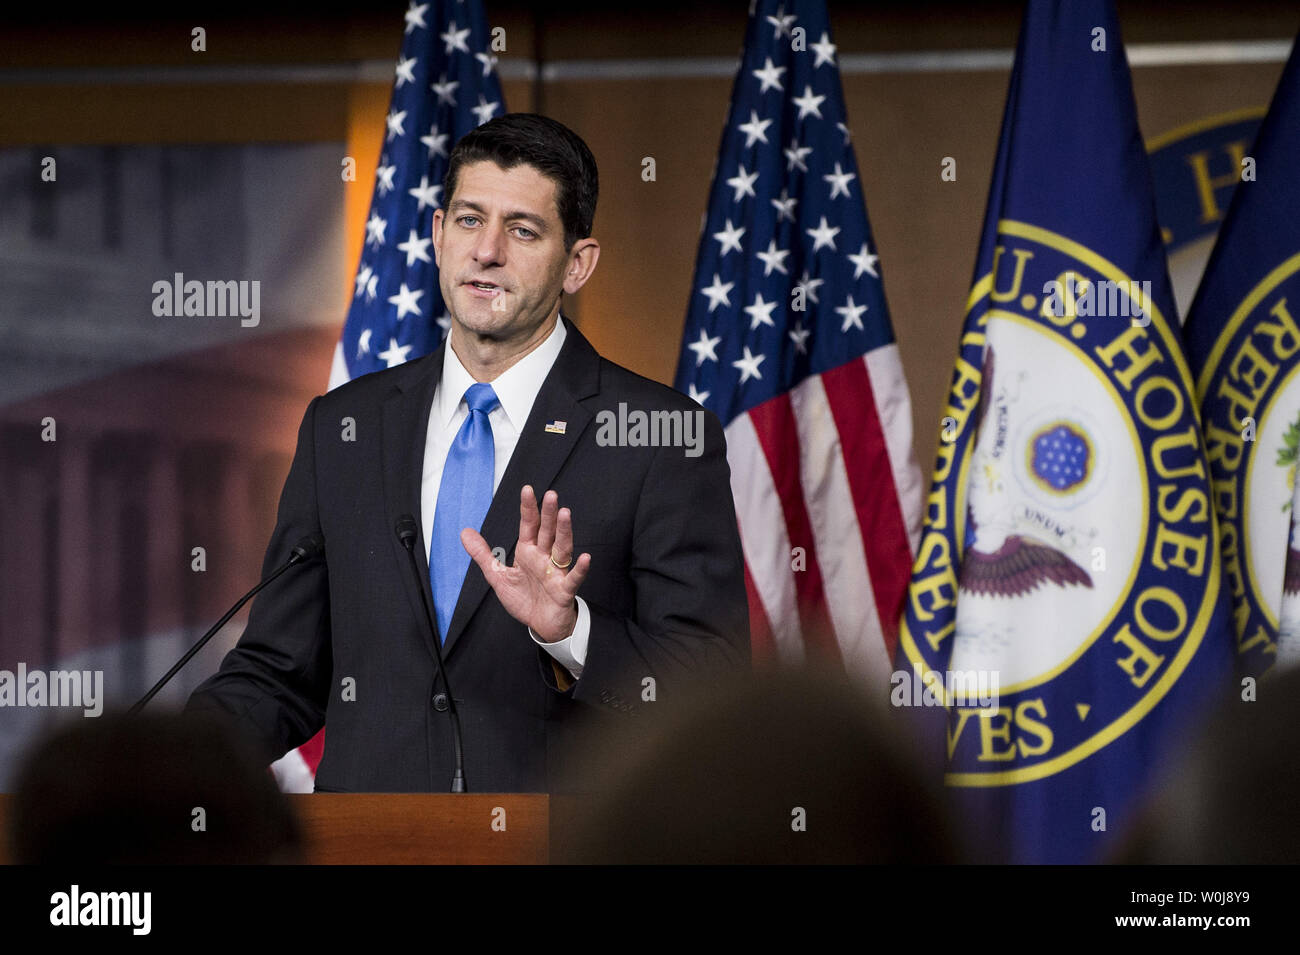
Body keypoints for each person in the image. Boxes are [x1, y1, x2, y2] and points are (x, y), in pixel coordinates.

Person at [185, 113, 750, 793]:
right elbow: (280, 670)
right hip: (370, 846)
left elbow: (709, 689)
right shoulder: (344, 426)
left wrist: (572, 633)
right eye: (468, 220)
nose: (486, 251)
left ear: (578, 264)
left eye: (522, 230)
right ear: (436, 233)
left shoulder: (660, 436)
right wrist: (169, 762)